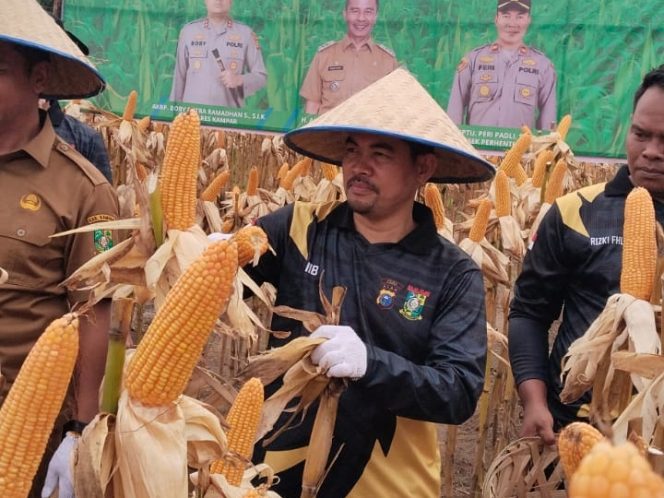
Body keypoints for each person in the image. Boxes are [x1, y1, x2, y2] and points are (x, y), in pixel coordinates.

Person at [244, 68, 494, 497]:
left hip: (389, 486)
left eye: (380, 154)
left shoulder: (453, 273)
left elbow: (458, 391)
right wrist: (209, 254)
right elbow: (220, 285)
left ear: (423, 168)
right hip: (273, 479)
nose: (359, 167)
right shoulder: (298, 229)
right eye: (352, 151)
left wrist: (370, 363)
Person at [508, 64, 664, 445]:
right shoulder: (573, 212)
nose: (651, 152)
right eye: (641, 134)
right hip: (576, 431)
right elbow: (529, 312)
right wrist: (534, 401)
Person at [0, 1, 119, 496]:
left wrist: (80, 429)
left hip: (23, 422)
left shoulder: (86, 190)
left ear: (40, 79)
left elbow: (95, 311)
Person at [447, 0, 557, 130]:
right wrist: (453, 142)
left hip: (521, 143)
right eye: (506, 16)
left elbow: (547, 122)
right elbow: (454, 112)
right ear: (496, 19)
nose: (512, 23)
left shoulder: (543, 66)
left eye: (520, 17)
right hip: (476, 143)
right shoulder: (472, 60)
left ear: (528, 20)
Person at [299, 0, 398, 115]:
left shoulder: (388, 61)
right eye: (355, 11)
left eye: (368, 11)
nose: (361, 18)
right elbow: (312, 104)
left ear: (375, 16)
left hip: (369, 127)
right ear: (345, 14)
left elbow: (393, 109)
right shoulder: (324, 56)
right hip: (330, 127)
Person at [170, 0, 267, 108]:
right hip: (192, 114)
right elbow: (179, 77)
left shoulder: (245, 34)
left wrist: (239, 79)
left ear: (231, 1)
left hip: (228, 114)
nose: (218, 1)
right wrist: (172, 113)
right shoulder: (189, 32)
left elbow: (261, 77)